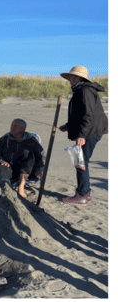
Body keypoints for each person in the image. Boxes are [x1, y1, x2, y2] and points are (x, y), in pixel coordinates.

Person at [58, 65, 108, 205]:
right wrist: (68, 126)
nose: (70, 79)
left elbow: (88, 115)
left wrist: (82, 135)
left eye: (73, 77)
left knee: (81, 162)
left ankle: (83, 195)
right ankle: (83, 192)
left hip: (91, 132)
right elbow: (79, 114)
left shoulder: (85, 90)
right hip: (90, 130)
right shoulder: (80, 89)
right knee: (80, 161)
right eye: (69, 77)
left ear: (79, 78)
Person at [0, 118, 44, 199]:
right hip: (10, 168)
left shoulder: (31, 140)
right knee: (3, 167)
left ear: (23, 129)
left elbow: (42, 156)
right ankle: (5, 187)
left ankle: (21, 186)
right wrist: (2, 161)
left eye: (15, 126)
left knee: (29, 156)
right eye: (12, 125)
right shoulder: (5, 139)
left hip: (27, 170)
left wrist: (39, 168)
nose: (12, 127)